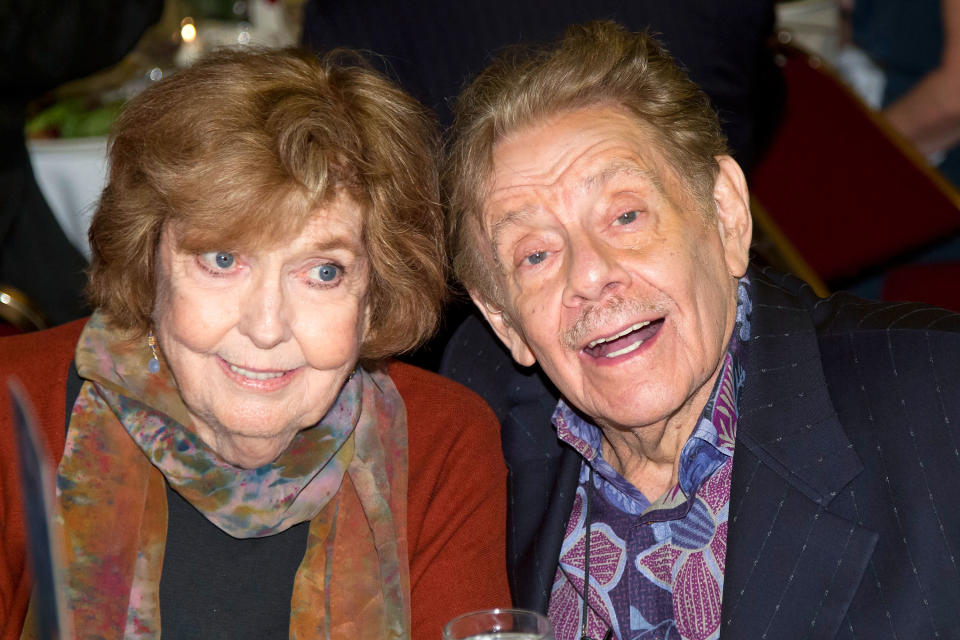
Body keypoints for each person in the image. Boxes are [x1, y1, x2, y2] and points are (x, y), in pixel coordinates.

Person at [441, 21, 960, 640]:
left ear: (726, 215)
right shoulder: (476, 430)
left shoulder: (936, 405)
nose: (591, 275)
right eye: (535, 255)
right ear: (503, 320)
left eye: (626, 216)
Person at [0, 47, 509, 639]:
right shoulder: (15, 414)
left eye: (323, 272)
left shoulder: (442, 446)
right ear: (149, 262)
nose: (267, 327)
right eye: (222, 260)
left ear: (375, 295)